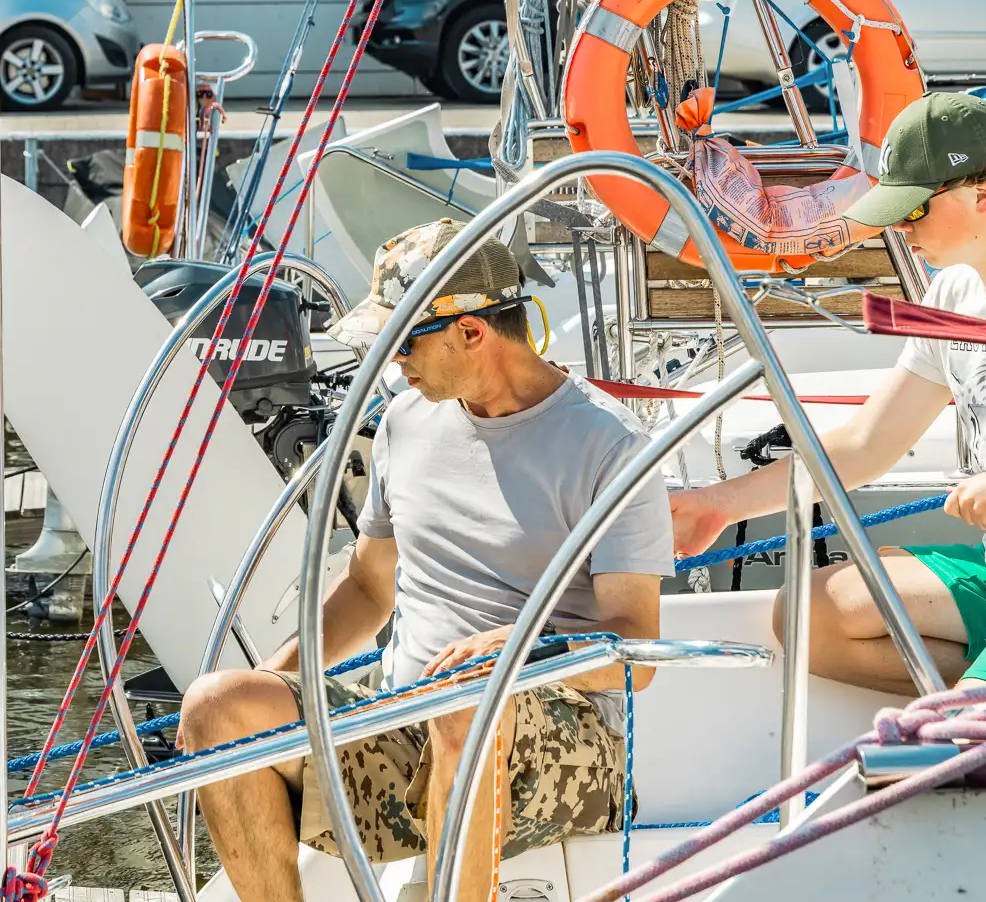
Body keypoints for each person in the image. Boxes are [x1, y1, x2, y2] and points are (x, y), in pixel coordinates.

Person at [178, 220, 672, 902]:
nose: (393, 364)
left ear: (470, 331)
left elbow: (637, 654)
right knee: (216, 706)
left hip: (570, 751)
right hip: (407, 720)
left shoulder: (611, 445)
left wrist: (515, 651)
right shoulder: (404, 424)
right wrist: (274, 682)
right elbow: (367, 588)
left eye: (403, 342)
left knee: (467, 697)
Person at [669, 93, 986, 694]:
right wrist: (719, 505)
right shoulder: (951, 295)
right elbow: (866, 444)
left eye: (912, 211)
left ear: (981, 195)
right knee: (807, 613)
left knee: (967, 724)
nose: (899, 230)